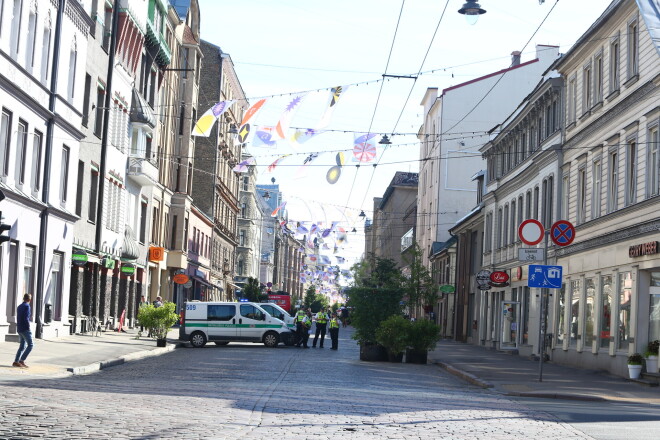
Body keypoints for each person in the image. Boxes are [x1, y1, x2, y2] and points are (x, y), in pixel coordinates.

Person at [13, 294, 33, 368]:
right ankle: (21, 360)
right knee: (30, 345)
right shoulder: (27, 306)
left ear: (23, 298)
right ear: (29, 300)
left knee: (22, 346)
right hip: (25, 328)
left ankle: (16, 361)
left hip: (19, 328)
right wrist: (28, 327)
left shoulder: (19, 306)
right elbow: (26, 318)